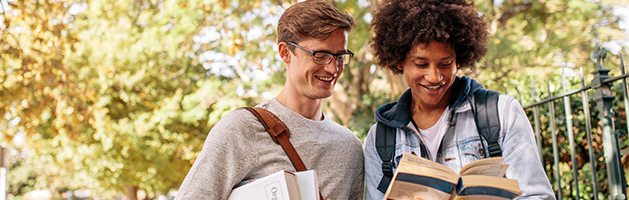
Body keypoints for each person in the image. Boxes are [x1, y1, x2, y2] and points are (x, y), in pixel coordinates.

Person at [363, 0, 555, 199]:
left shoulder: (501, 113)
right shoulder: (380, 138)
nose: (434, 77)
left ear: (459, 60)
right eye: (421, 64)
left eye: (445, 64)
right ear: (399, 61)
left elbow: (538, 196)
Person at [175, 0, 364, 199]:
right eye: (321, 55)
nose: (333, 68)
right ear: (285, 52)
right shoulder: (241, 129)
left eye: (340, 56)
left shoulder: (350, 147)